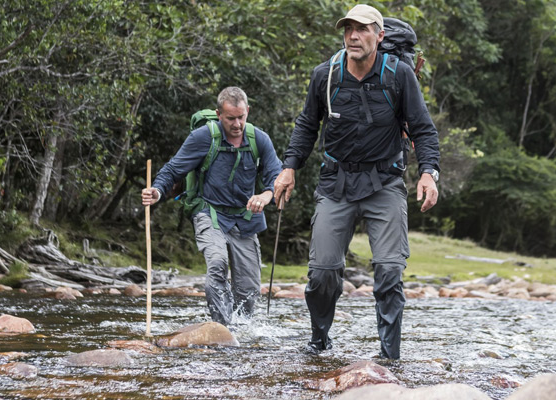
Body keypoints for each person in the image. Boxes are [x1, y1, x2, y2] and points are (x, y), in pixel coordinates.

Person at [272, 5, 440, 359]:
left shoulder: (399, 76)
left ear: (380, 36)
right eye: (348, 28)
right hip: (336, 183)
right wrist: (289, 167)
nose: (353, 35)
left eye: (363, 29)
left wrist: (429, 172)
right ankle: (320, 341)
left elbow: (423, 128)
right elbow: (307, 125)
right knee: (322, 273)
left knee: (390, 270)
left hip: (385, 182)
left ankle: (389, 355)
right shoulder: (325, 76)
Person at [141, 87, 282, 325]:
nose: (237, 124)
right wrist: (157, 190)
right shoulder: (203, 137)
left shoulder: (260, 139)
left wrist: (267, 195)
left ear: (248, 111)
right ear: (219, 114)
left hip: (245, 219)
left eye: (241, 117)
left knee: (248, 290)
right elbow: (174, 169)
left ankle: (241, 332)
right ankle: (221, 328)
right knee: (217, 263)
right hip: (210, 213)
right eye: (230, 118)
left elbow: (276, 178)